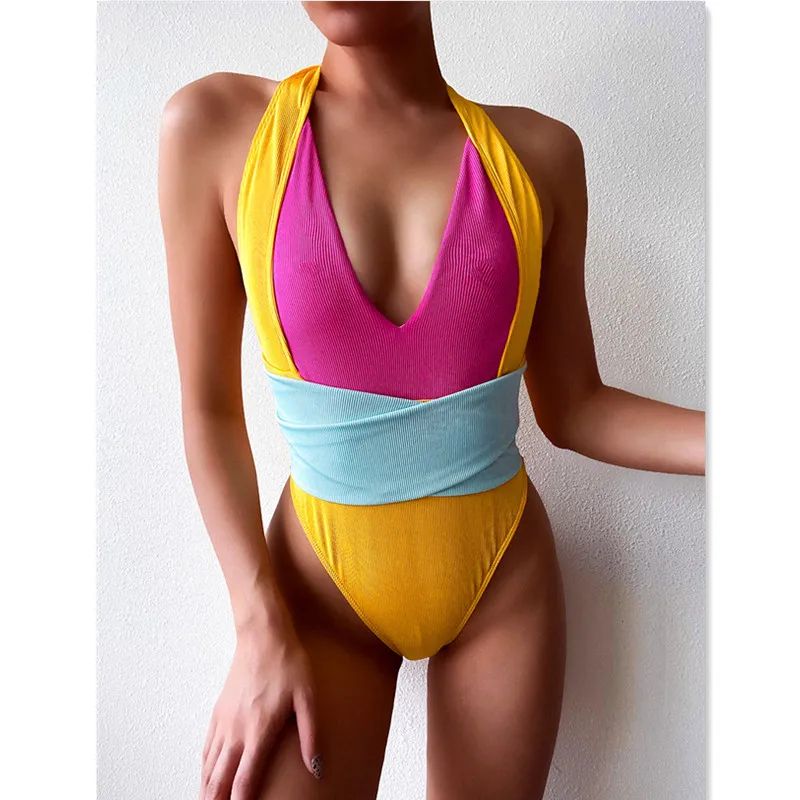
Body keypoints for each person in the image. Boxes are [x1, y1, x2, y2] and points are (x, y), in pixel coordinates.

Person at [157, 3, 705, 799]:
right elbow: (207, 409)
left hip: (502, 592)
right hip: (317, 594)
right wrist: (255, 625)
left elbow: (575, 407)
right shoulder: (216, 128)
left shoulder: (539, 156)